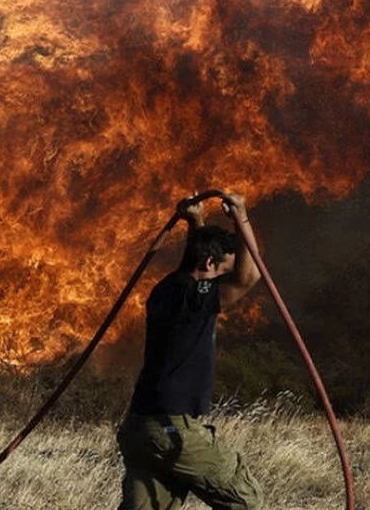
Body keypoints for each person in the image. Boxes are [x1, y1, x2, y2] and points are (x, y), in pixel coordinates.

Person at [117, 192, 264, 510]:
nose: (223, 281)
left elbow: (199, 256)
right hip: (173, 429)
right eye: (222, 272)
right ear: (210, 264)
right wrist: (241, 216)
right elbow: (249, 277)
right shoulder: (196, 299)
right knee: (246, 501)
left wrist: (195, 219)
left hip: (140, 429)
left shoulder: (166, 288)